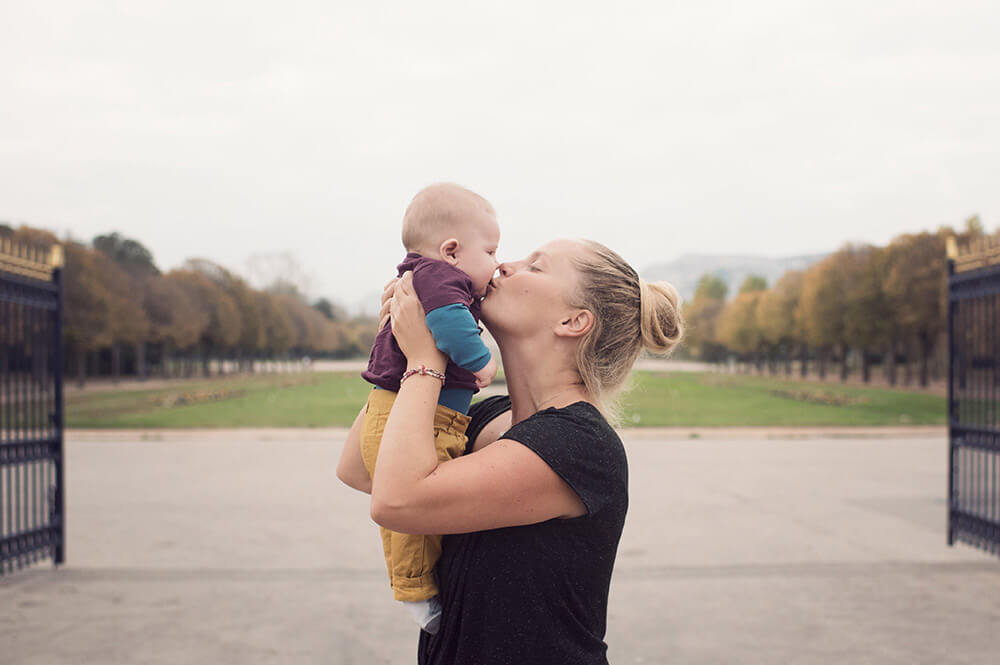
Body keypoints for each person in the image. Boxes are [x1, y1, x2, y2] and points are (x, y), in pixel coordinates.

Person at [337, 237, 684, 664]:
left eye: (536, 267)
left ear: (574, 321)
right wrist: (394, 343)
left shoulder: (578, 446)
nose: (503, 266)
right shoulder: (487, 417)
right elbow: (360, 469)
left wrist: (423, 360)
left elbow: (397, 500)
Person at [358, 183, 500, 633]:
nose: (497, 264)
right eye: (492, 251)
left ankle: (415, 583)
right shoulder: (442, 278)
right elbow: (449, 326)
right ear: (452, 250)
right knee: (412, 522)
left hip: (408, 411)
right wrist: (481, 360)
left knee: (410, 518)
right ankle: (417, 591)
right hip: (422, 417)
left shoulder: (424, 276)